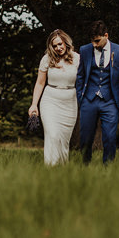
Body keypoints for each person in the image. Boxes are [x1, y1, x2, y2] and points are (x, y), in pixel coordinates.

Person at [76, 20, 119, 164]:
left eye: (97, 41)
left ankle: (108, 169)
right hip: (88, 100)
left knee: (110, 137)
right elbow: (80, 76)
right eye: (92, 41)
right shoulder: (84, 50)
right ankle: (84, 168)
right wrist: (80, 98)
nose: (94, 44)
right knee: (85, 138)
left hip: (110, 102)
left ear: (106, 35)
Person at [29, 29, 80, 165]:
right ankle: (50, 169)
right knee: (53, 135)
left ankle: (62, 173)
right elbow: (40, 83)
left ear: (66, 42)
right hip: (50, 100)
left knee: (64, 141)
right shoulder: (47, 59)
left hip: (70, 102)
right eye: (55, 46)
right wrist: (34, 104)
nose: (58, 48)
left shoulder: (77, 59)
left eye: (60, 44)